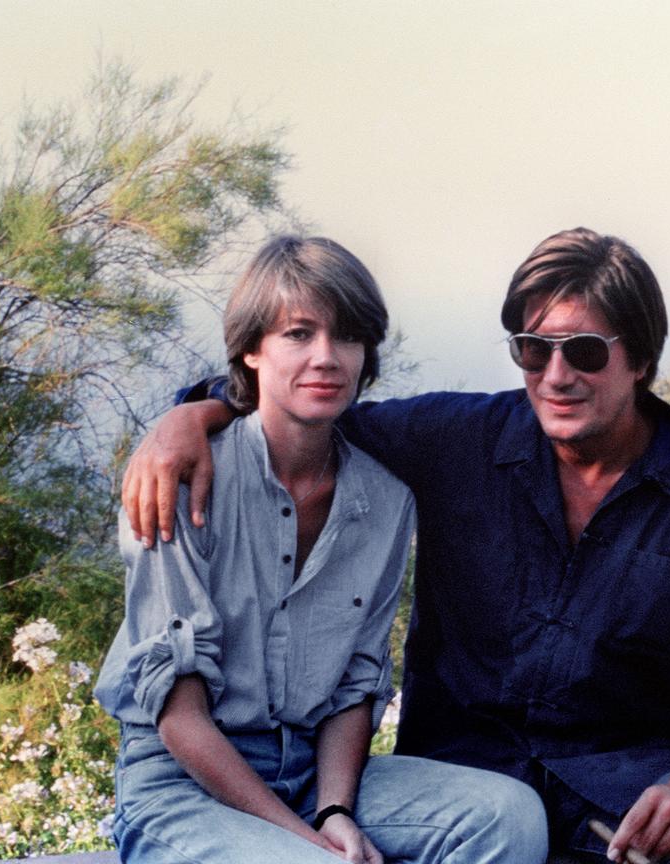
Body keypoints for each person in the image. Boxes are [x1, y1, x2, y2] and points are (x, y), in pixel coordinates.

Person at [122, 228, 670, 863]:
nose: (556, 375)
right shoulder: (453, 440)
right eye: (533, 349)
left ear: (641, 359)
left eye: (584, 350)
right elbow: (308, 407)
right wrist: (191, 417)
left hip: (618, 778)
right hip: (470, 762)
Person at [94, 235, 548, 864]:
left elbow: (356, 686)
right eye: (299, 334)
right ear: (251, 350)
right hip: (182, 789)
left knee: (508, 817)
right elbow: (179, 718)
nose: (327, 358)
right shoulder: (180, 478)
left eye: (349, 337)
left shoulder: (386, 500)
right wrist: (305, 841)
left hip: (313, 773)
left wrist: (334, 811)